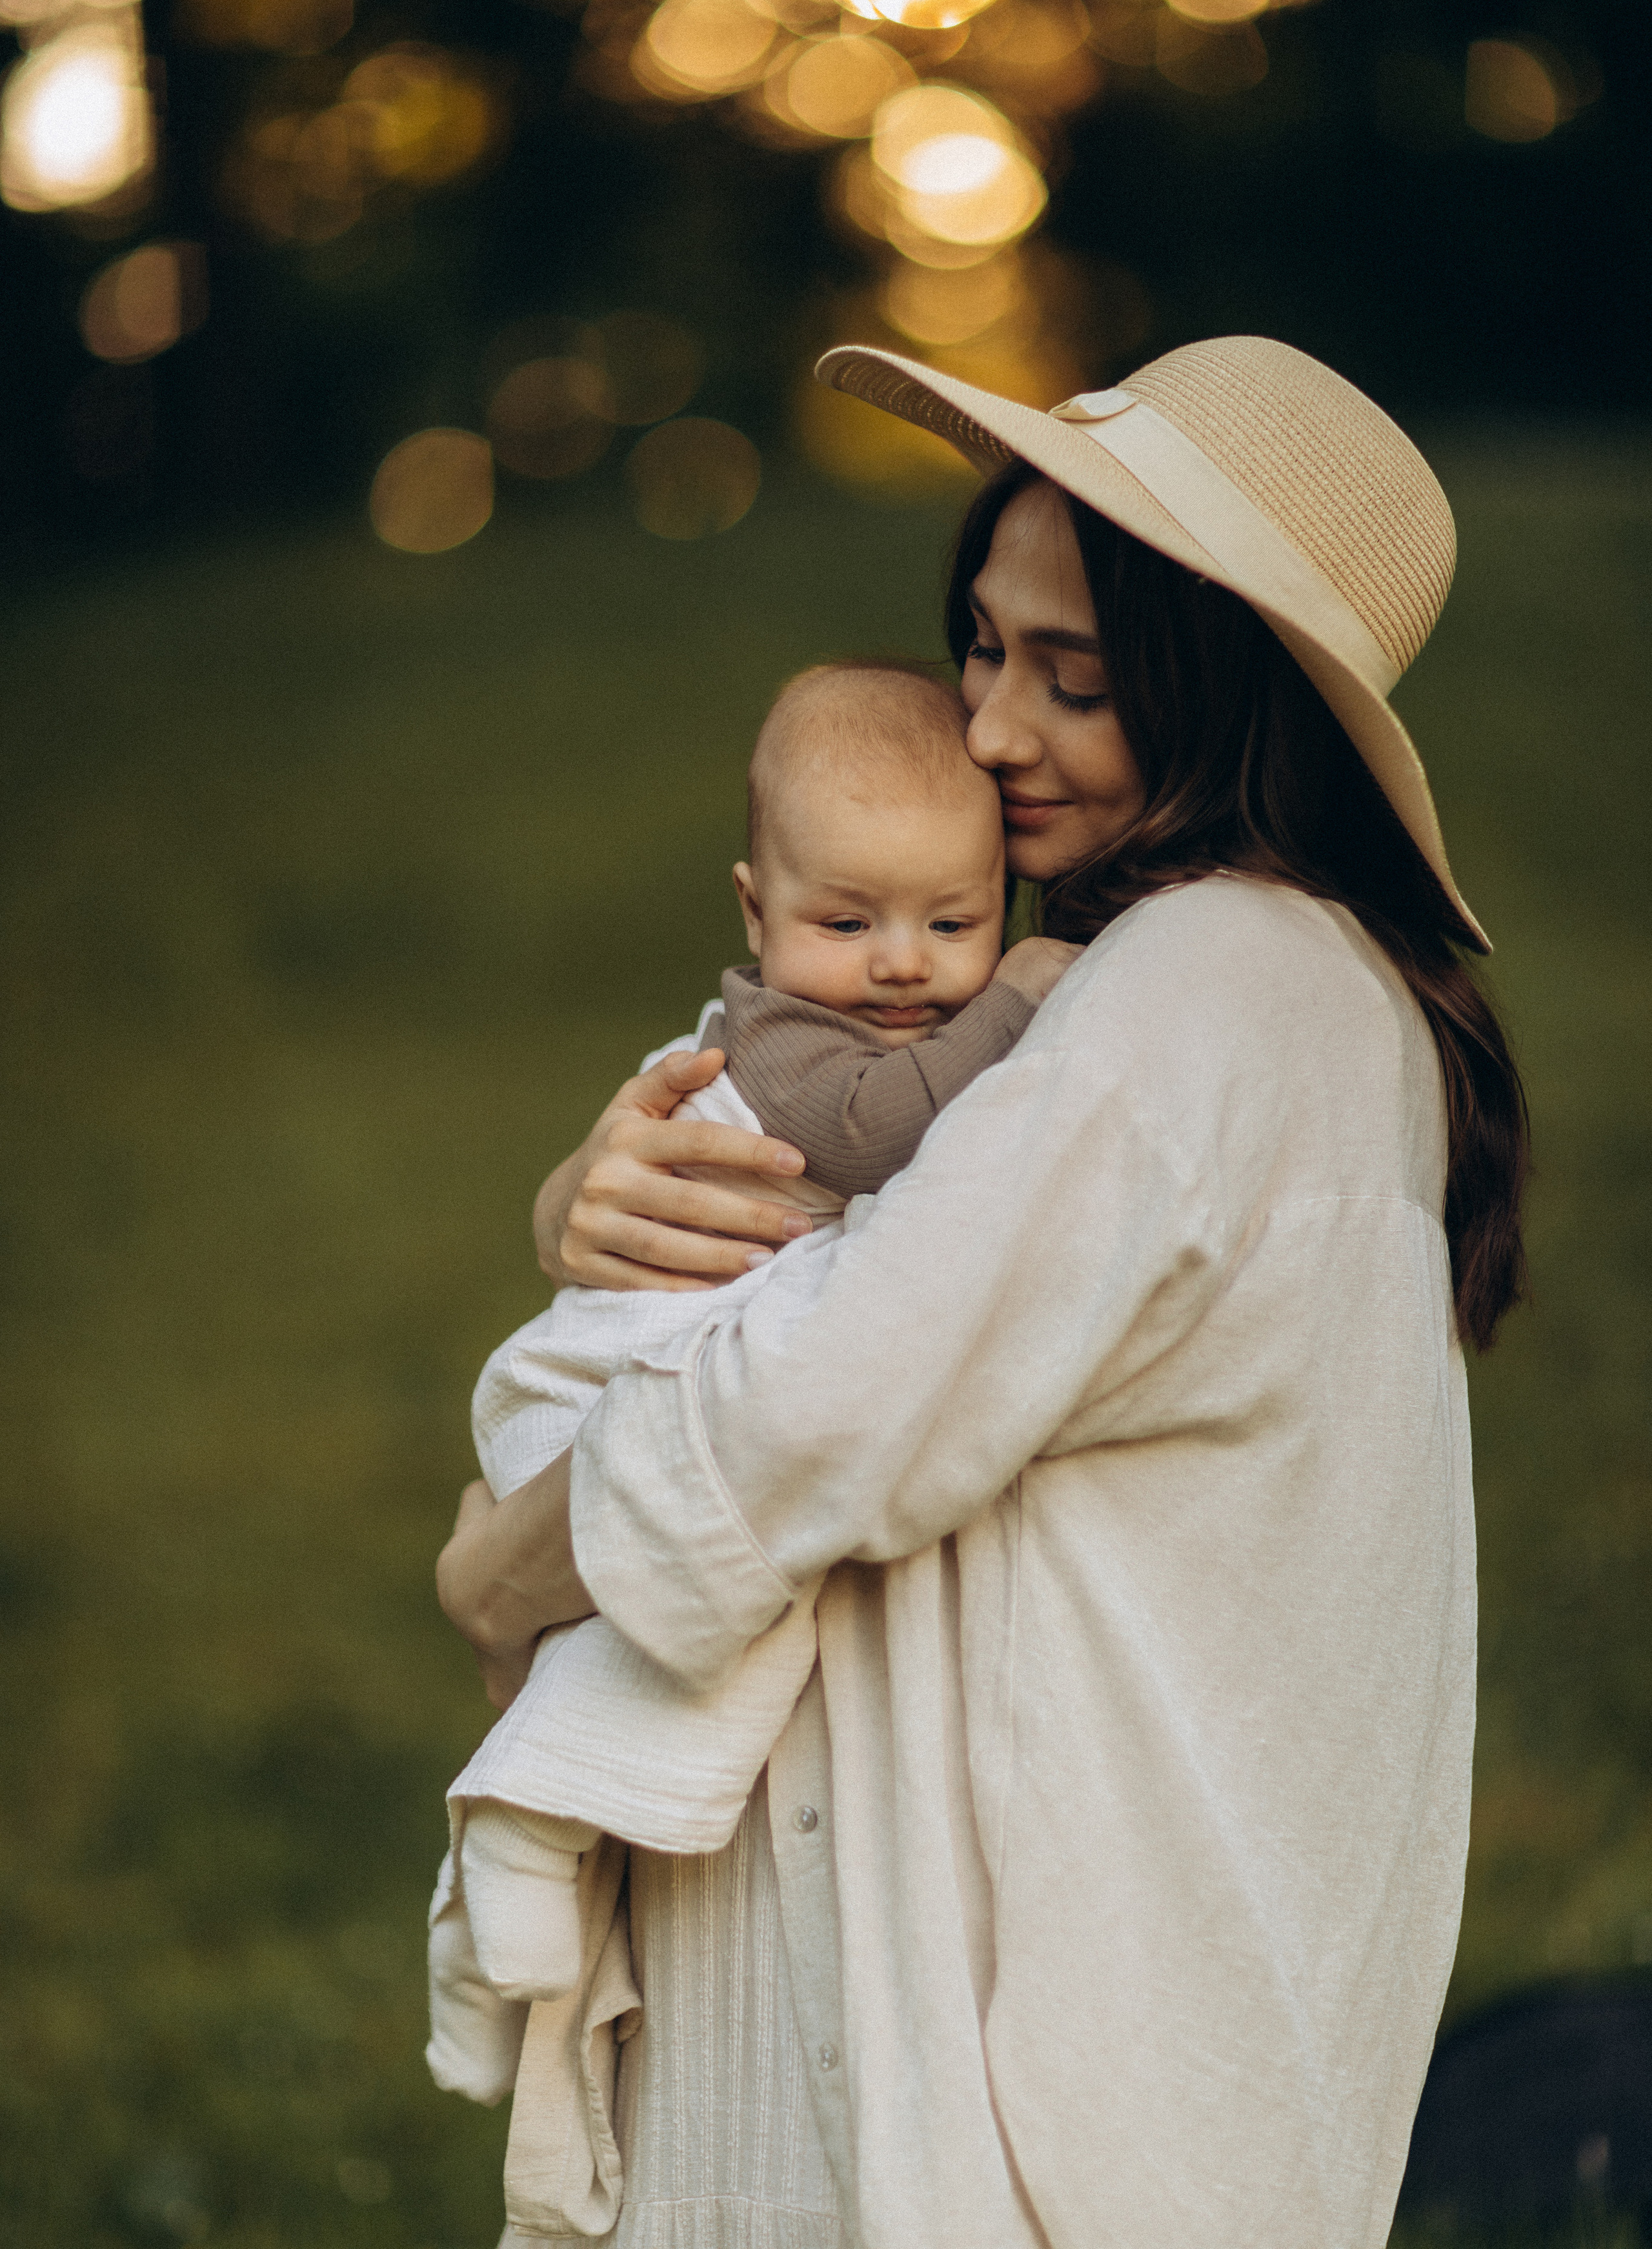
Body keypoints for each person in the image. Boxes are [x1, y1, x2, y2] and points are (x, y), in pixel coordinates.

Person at [438, 335, 1529, 2249]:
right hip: (1121, 1988)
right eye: (984, 648)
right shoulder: (1298, 1003)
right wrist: (595, 1200)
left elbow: (818, 1406)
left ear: (1229, 697)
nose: (994, 731)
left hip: (1014, 2029)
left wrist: (500, 1569)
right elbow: (888, 1246)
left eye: (1073, 681)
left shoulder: (1208, 985)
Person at [427, 663, 1076, 2144]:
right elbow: (876, 1134)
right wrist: (1022, 995)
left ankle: (501, 1892)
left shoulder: (881, 1007)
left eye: (955, 924)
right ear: (753, 911)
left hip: (675, 1388)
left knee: (712, 1631)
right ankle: (515, 1834)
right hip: (591, 1394)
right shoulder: (779, 1043)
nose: (902, 966)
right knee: (703, 1610)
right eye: (846, 924)